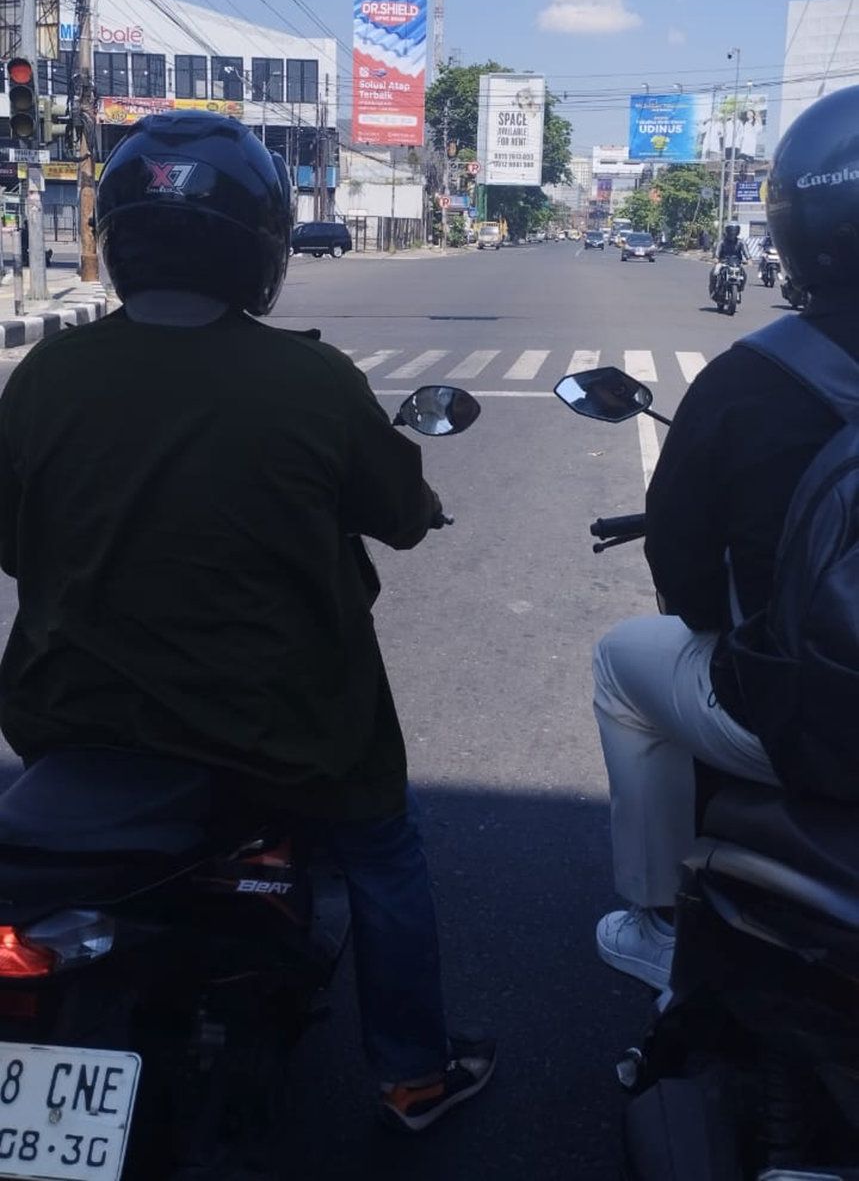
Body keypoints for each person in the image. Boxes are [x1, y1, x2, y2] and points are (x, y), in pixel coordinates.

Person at [0, 113, 495, 1130]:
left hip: (72, 716)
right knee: (384, 850)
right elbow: (402, 520)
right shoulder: (311, 380)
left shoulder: (45, 376)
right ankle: (413, 1073)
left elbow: (18, 541)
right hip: (290, 735)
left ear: (117, 237)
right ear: (262, 249)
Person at [591, 84, 859, 990]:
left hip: (811, 727)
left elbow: (688, 586)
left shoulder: (747, 381)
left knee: (621, 663)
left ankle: (656, 915)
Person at [709, 220, 749, 298]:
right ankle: (713, 290)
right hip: (723, 262)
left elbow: (746, 251)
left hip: (736, 263)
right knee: (714, 272)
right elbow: (717, 251)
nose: (733, 232)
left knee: (744, 274)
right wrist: (716, 258)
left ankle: (740, 288)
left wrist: (749, 259)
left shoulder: (741, 242)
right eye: (731, 230)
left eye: (734, 230)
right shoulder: (722, 242)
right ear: (727, 231)